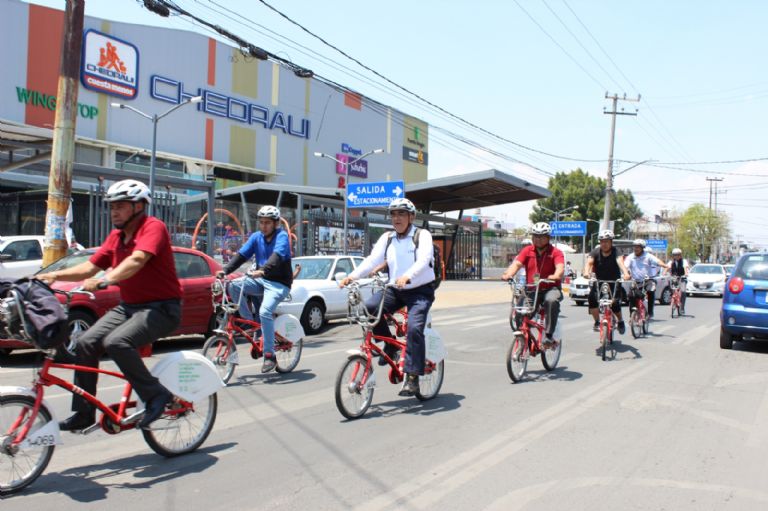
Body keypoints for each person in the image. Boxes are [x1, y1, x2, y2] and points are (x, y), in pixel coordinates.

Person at [39, 179, 182, 431]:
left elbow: (137, 260)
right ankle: (84, 413)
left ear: (139, 206)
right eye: (112, 206)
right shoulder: (116, 236)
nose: (114, 211)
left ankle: (156, 395)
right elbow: (90, 266)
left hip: (161, 308)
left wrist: (106, 279)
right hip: (129, 307)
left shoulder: (153, 227)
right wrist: (52, 276)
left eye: (121, 206)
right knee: (85, 342)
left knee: (117, 342)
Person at [339, 198, 435, 397]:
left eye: (401, 214)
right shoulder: (388, 238)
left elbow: (425, 259)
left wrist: (408, 275)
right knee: (370, 309)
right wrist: (352, 276)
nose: (397, 218)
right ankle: (391, 345)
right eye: (393, 214)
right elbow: (372, 259)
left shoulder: (421, 234)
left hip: (419, 290)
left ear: (411, 217)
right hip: (395, 289)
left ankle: (412, 377)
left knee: (414, 329)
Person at [217, 205, 293, 373]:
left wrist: (263, 270)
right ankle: (251, 324)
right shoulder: (256, 237)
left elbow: (277, 256)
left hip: (279, 284)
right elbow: (242, 255)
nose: (264, 226)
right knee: (233, 285)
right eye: (261, 222)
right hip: (261, 280)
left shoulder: (282, 236)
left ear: (275, 223)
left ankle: (269, 355)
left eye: (267, 223)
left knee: (265, 312)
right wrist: (226, 271)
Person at [501, 222, 565, 346]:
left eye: (541, 236)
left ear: (548, 237)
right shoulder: (527, 250)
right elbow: (516, 264)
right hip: (532, 288)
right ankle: (524, 336)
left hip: (551, 288)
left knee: (551, 301)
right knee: (520, 311)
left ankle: (549, 335)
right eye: (535, 236)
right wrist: (508, 274)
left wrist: (556, 276)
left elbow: (560, 268)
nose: (538, 239)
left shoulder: (555, 252)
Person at [583, 229, 631, 334]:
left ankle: (621, 321)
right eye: (602, 241)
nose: (604, 244)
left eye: (607, 241)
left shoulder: (616, 251)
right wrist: (586, 272)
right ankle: (596, 321)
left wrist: (626, 273)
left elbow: (620, 262)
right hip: (599, 281)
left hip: (614, 281)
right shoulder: (595, 252)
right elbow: (589, 262)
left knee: (614, 304)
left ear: (611, 242)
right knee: (592, 298)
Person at [624, 239, 670, 319]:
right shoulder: (630, 257)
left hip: (647, 280)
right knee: (631, 296)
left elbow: (658, 261)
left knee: (651, 291)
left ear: (642, 248)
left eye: (638, 247)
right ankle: (632, 315)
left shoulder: (648, 256)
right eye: (634, 247)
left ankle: (650, 312)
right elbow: (625, 266)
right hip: (635, 281)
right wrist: (626, 274)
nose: (636, 249)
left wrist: (665, 266)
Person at [666, 247, 689, 314]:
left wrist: (686, 274)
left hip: (682, 278)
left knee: (683, 291)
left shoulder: (684, 261)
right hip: (674, 278)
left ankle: (682, 307)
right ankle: (673, 300)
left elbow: (685, 268)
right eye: (675, 255)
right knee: (670, 288)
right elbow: (667, 268)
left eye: (678, 255)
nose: (677, 256)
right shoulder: (671, 262)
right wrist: (664, 273)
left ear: (680, 255)